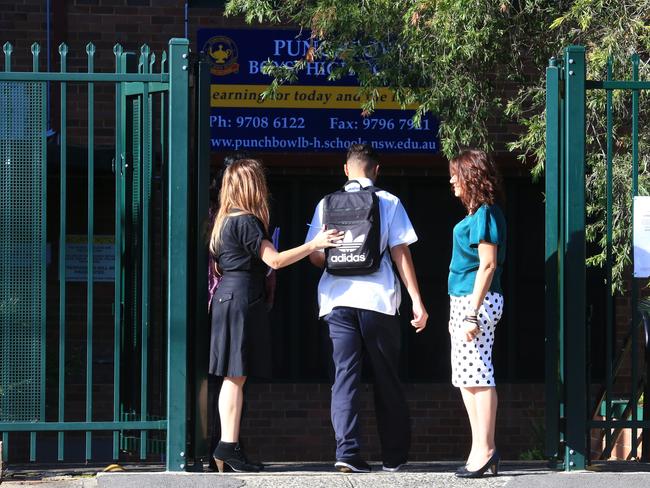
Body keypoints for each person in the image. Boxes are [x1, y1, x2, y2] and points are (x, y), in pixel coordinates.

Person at [209, 159, 342, 472]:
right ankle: (227, 446)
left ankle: (229, 445)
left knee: (232, 376)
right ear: (252, 187)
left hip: (227, 297)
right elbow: (276, 260)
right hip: (242, 298)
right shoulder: (247, 222)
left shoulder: (224, 222)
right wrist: (315, 243)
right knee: (235, 376)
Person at [305, 143, 428, 473]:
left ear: (346, 170)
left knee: (344, 378)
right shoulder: (389, 202)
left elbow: (317, 255)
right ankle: (394, 457)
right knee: (388, 378)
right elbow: (401, 253)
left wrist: (338, 256)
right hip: (378, 301)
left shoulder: (325, 204)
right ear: (377, 169)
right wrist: (416, 300)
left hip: (336, 302)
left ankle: (347, 451)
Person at [447, 148, 506, 478]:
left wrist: (471, 312)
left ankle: (485, 450)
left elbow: (487, 264)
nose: (451, 179)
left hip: (476, 300)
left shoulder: (485, 213)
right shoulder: (478, 214)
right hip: (467, 300)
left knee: (479, 374)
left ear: (471, 176)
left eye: (456, 173)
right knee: (467, 377)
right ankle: (479, 449)